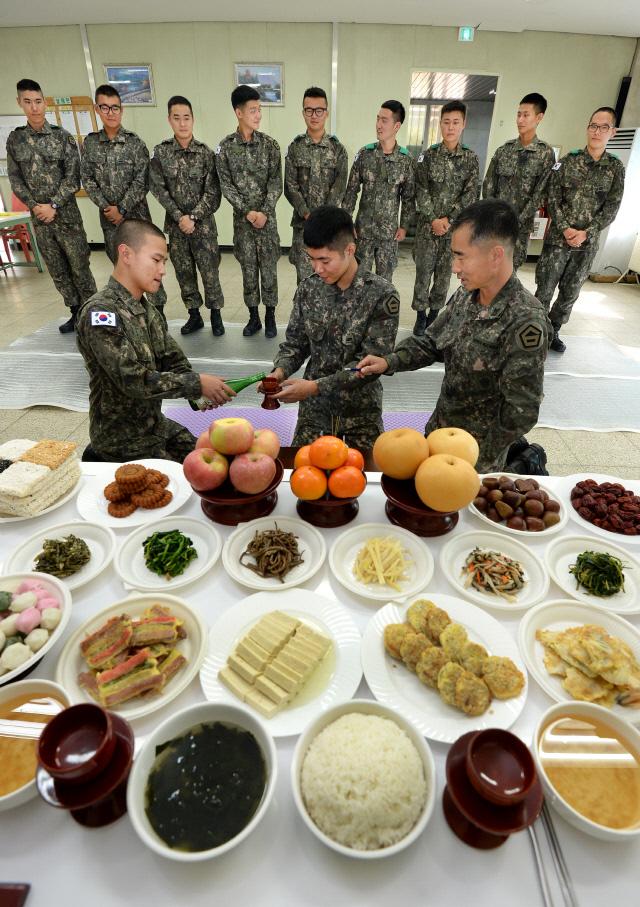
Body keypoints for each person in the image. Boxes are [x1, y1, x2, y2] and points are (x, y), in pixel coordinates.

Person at [357, 199, 550, 472]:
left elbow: (521, 411)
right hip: (439, 433)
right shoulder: (466, 295)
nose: (454, 267)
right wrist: (389, 361)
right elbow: (432, 342)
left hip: (474, 457)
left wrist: (477, 459)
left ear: (495, 255)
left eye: (461, 256)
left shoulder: (525, 321)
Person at [76, 219, 234, 462]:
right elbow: (132, 379)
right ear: (126, 254)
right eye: (156, 260)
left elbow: (173, 360)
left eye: (165, 262)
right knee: (183, 484)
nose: (163, 270)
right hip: (122, 439)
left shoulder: (147, 310)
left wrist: (199, 393)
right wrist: (195, 384)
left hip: (155, 426)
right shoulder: (101, 314)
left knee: (211, 461)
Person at [268, 206, 399, 448]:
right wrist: (280, 370)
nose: (317, 269)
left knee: (366, 477)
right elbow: (296, 343)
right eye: (312, 259)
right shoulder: (309, 289)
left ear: (350, 250)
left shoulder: (381, 295)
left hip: (360, 414)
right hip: (315, 414)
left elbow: (369, 365)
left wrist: (314, 387)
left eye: (324, 260)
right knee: (303, 475)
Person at [7, 78, 97, 333]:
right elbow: (15, 179)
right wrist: (36, 206)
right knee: (57, 269)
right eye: (28, 102)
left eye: (37, 102)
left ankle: (92, 314)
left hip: (66, 216)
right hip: (41, 220)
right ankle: (75, 311)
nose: (34, 108)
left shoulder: (62, 137)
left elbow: (73, 177)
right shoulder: (16, 141)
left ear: (44, 103)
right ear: (20, 103)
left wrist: (54, 204)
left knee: (80, 267)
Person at [535, 106, 625, 353]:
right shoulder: (567, 162)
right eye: (593, 125)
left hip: (586, 244)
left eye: (603, 127)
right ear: (587, 128)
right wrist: (564, 228)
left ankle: (554, 331)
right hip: (557, 241)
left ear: (613, 132)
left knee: (570, 291)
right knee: (544, 288)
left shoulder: (615, 168)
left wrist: (586, 232)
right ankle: (536, 333)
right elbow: (551, 197)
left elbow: (612, 208)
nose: (597, 131)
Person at [80, 83, 166, 313]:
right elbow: (87, 178)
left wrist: (122, 209)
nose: (111, 113)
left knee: (150, 266)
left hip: (137, 219)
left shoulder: (135, 143)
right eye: (105, 108)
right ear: (97, 109)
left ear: (121, 109)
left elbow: (142, 180)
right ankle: (132, 314)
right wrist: (107, 207)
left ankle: (158, 314)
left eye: (115, 107)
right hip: (110, 222)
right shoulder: (90, 144)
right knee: (123, 268)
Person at [149, 95, 225, 336]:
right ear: (169, 120)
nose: (182, 123)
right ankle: (194, 315)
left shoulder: (206, 154)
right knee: (184, 272)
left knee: (210, 272)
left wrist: (193, 217)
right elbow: (157, 188)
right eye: (177, 118)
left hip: (203, 228)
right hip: (176, 227)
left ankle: (216, 315)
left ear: (193, 119)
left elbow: (214, 192)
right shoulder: (161, 153)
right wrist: (179, 216)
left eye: (187, 118)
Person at [216, 85, 283, 338]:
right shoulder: (224, 148)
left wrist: (264, 212)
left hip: (267, 223)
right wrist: (247, 212)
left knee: (269, 270)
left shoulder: (270, 145)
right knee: (248, 272)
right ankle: (253, 317)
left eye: (259, 110)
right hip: (243, 224)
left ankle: (270, 316)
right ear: (239, 112)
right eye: (253, 110)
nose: (258, 115)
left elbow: (276, 182)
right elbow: (226, 185)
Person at [412, 100, 479, 336]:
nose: (450, 127)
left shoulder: (471, 159)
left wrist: (449, 220)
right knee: (423, 273)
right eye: (446, 122)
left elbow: (470, 194)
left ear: (463, 125)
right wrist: (433, 219)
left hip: (454, 233)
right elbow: (420, 189)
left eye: (455, 122)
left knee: (444, 275)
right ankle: (420, 317)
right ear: (440, 124)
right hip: (427, 230)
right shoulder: (427, 157)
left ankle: (434, 316)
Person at [342, 100, 415, 281]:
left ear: (396, 126)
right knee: (358, 279)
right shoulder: (364, 155)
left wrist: (404, 226)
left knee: (384, 283)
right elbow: (351, 191)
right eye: (377, 119)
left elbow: (408, 197)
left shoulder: (405, 160)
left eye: (384, 120)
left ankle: (381, 311)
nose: (378, 125)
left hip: (388, 235)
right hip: (363, 232)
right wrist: (347, 221)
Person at [482, 93, 556, 273]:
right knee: (487, 271)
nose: (520, 119)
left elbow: (542, 192)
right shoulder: (504, 151)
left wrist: (517, 220)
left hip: (520, 230)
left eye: (526, 115)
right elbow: (489, 185)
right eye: (518, 114)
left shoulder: (545, 154)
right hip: (496, 226)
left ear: (539, 117)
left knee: (508, 274)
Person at [284, 87, 348, 284]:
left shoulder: (337, 149)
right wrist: (307, 214)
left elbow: (339, 186)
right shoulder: (295, 148)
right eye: (309, 110)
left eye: (319, 110)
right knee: (305, 282)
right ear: (303, 113)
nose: (314, 115)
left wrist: (323, 217)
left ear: (326, 113)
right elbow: (290, 186)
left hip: (330, 230)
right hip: (303, 228)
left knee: (330, 281)